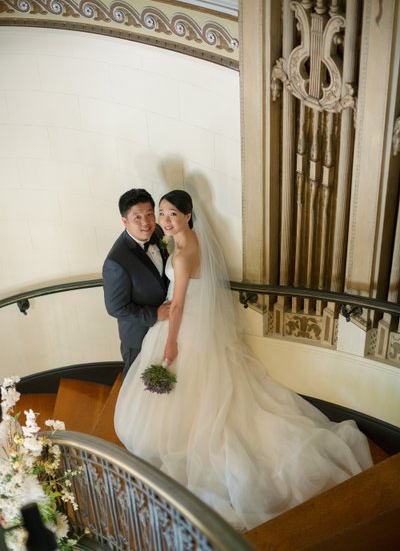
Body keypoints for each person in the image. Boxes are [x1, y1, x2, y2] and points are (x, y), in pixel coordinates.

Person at [114, 190, 373, 531]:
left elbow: (176, 306)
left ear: (189, 216)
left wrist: (172, 344)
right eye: (161, 213)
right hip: (200, 326)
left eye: (171, 214)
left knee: (191, 393)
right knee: (207, 388)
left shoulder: (180, 255)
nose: (163, 220)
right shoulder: (186, 242)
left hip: (182, 328)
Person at [103, 189, 170, 379]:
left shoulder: (156, 232)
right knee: (135, 385)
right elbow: (115, 307)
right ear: (124, 221)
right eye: (137, 217)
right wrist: (154, 314)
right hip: (138, 337)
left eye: (150, 214)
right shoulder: (116, 261)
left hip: (164, 329)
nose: (146, 222)